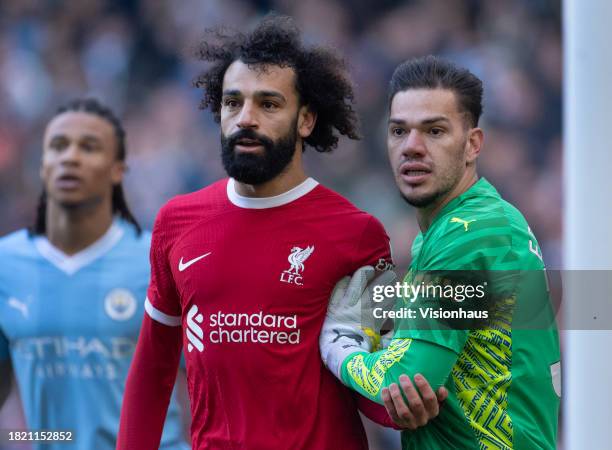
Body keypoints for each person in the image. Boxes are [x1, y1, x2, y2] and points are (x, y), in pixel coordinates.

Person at [117, 16, 445, 450]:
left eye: (268, 104)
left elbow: (370, 376)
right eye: (233, 103)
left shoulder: (356, 234)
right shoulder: (176, 223)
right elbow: (153, 369)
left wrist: (400, 406)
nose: (245, 119)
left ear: (305, 119)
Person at [319, 56, 561, 449]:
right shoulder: (472, 224)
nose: (412, 147)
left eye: (434, 130)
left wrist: (341, 346)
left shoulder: (468, 237)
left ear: (472, 144)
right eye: (399, 131)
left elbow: (405, 381)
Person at [0, 98, 190, 450]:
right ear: (42, 164)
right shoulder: (5, 265)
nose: (69, 157)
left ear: (118, 169)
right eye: (58, 146)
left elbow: (204, 388)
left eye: (89, 147)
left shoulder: (159, 262)